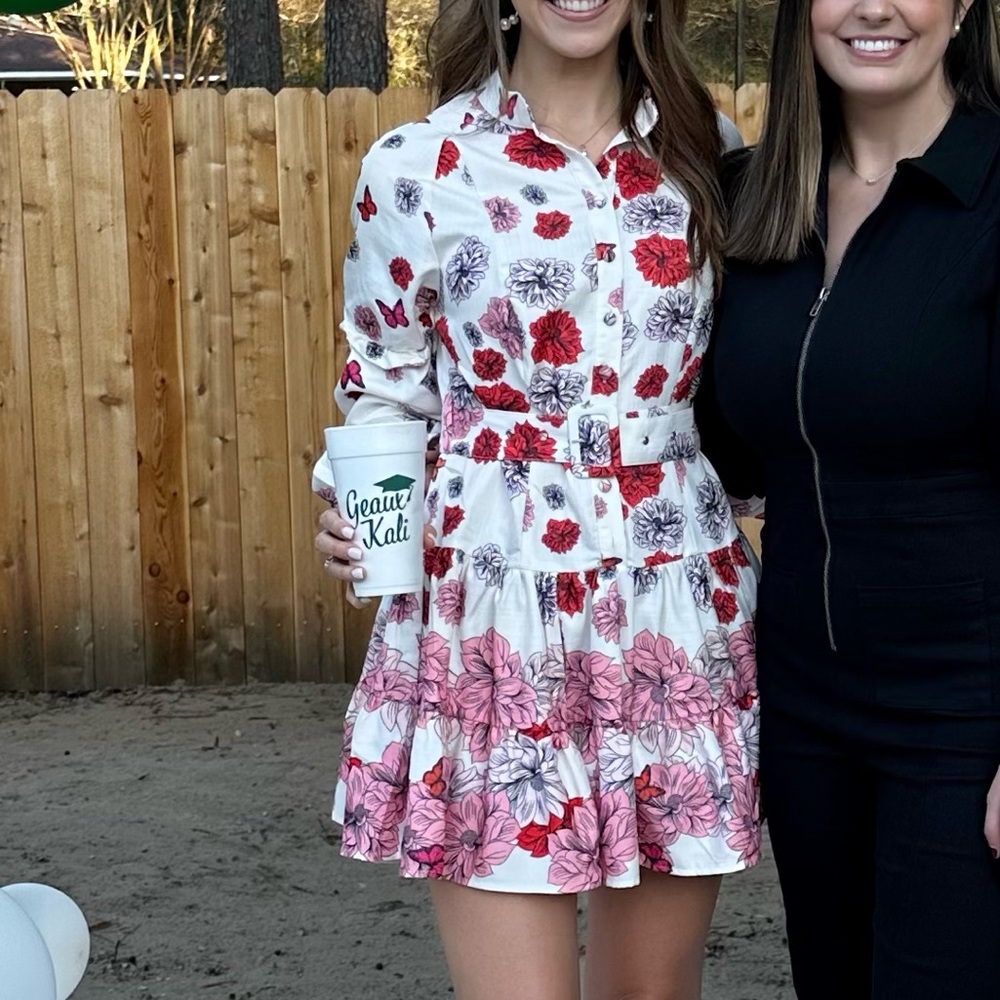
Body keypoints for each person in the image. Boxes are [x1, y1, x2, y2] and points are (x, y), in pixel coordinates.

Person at [313, 1, 761, 997]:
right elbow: (382, 388)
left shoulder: (710, 156)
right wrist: (352, 508)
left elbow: (751, 373)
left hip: (669, 612)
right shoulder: (417, 165)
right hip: (493, 619)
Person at [697, 0, 1000, 996]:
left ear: (960, 7)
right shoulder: (749, 204)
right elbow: (662, 428)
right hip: (801, 703)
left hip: (966, 705)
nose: (872, 6)